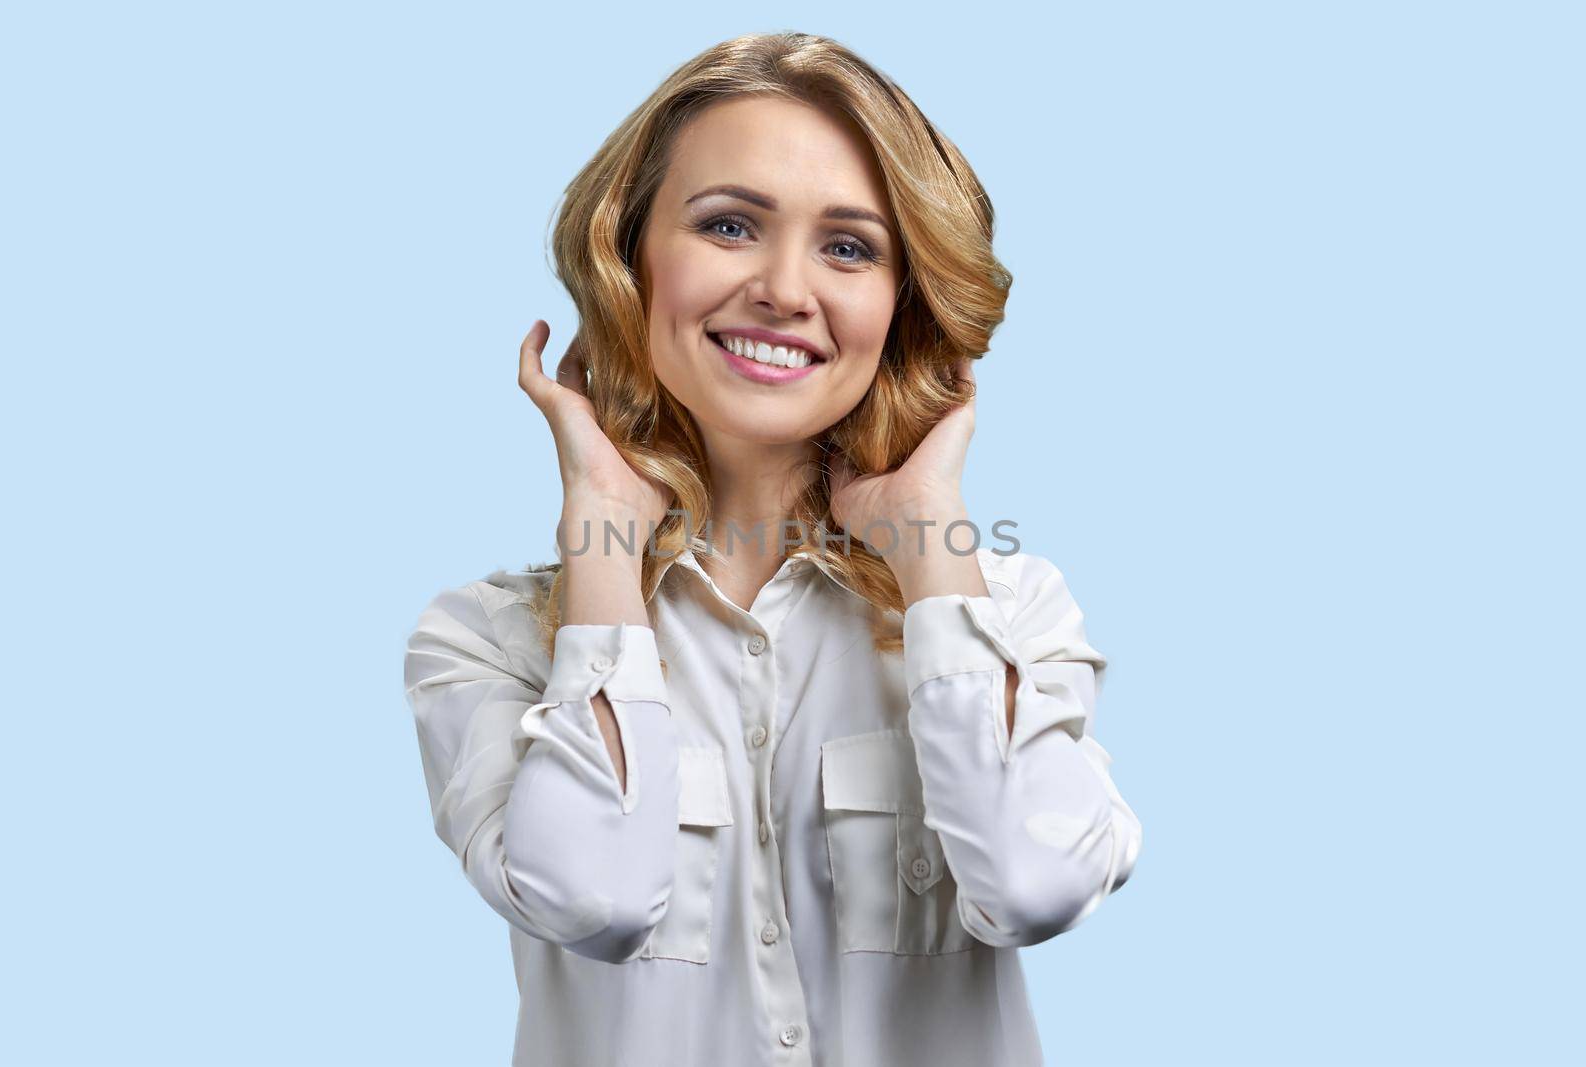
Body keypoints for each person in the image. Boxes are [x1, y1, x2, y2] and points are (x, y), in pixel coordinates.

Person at [402, 31, 1141, 1067]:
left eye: (848, 247)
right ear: (628, 261)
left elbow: (1035, 885)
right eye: (731, 225)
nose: (785, 290)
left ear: (901, 300)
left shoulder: (1007, 610)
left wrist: (929, 536)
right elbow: (594, 899)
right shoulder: (486, 642)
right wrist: (602, 541)